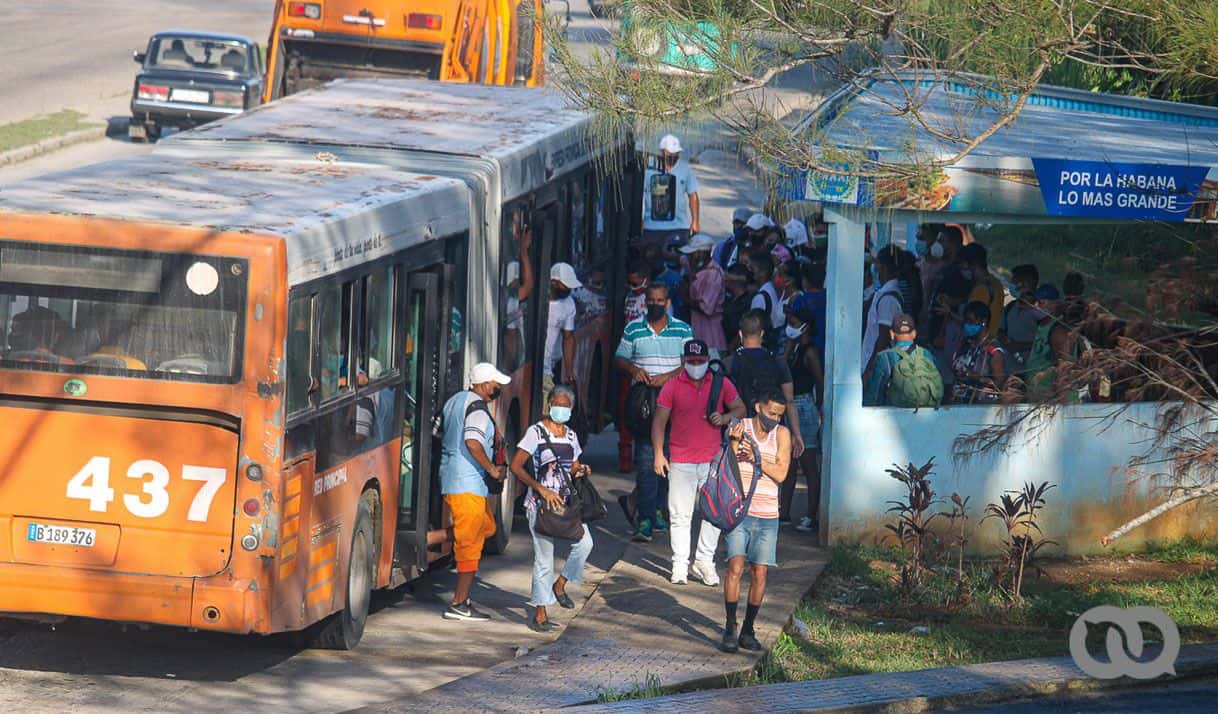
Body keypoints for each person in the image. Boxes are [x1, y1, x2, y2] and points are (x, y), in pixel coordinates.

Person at [653, 340, 746, 585]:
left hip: (712, 460)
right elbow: (659, 422)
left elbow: (740, 409)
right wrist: (658, 454)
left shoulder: (720, 383)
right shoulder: (672, 386)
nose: (696, 366)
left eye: (700, 362)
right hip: (681, 460)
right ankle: (680, 564)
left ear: (708, 360)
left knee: (713, 514)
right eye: (692, 362)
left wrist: (725, 417)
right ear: (684, 361)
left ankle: (705, 560)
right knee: (679, 515)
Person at [510, 385, 594, 632]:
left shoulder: (570, 435)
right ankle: (540, 613)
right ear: (549, 404)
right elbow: (516, 465)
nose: (562, 409)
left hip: (567, 504)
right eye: (558, 404)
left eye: (567, 405)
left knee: (586, 543)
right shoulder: (535, 432)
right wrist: (540, 488)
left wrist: (582, 469)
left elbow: (573, 466)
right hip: (541, 505)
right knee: (544, 560)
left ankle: (561, 584)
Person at [614, 283, 693, 542]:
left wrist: (668, 378)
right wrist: (635, 370)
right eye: (651, 300)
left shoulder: (683, 329)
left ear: (668, 302)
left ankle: (658, 510)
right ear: (645, 302)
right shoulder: (633, 328)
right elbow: (619, 358)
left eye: (660, 300)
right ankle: (646, 517)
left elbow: (690, 363)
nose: (655, 304)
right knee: (648, 460)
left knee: (670, 459)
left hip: (676, 404)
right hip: (644, 405)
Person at [435, 362, 511, 622]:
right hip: (466, 482)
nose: (497, 388)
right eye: (494, 384)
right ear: (482, 385)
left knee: (486, 528)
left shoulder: (455, 400)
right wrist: (491, 469)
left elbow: (439, 431)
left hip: (455, 478)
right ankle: (459, 603)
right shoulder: (478, 410)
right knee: (470, 545)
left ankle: (427, 539)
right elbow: (472, 441)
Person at [720, 389, 791, 653]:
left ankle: (748, 629)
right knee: (735, 567)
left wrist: (757, 460)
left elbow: (781, 474)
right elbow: (729, 467)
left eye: (780, 415)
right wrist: (734, 445)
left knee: (760, 572)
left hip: (768, 514)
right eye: (771, 412)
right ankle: (730, 628)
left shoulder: (782, 435)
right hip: (740, 511)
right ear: (758, 407)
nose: (775, 418)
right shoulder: (741, 427)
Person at [729, 310, 805, 459]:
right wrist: (796, 434)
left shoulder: (731, 363)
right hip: (772, 429)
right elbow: (789, 401)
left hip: (740, 430)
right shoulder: (778, 362)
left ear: (740, 334)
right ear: (762, 334)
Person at [778, 302, 823, 532]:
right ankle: (783, 512)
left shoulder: (810, 352)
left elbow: (820, 382)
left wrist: (820, 409)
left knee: (808, 463)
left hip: (804, 406)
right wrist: (789, 345)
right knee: (789, 463)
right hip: (790, 405)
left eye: (794, 322)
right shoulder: (794, 349)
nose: (790, 326)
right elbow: (781, 369)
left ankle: (810, 515)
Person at [864, 313, 943, 407]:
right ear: (914, 334)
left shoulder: (885, 357)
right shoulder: (927, 355)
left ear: (892, 334)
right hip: (925, 413)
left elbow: (874, 396)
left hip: (895, 415)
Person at [616, 260, 651, 473]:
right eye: (629, 282)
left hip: (648, 363)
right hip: (630, 362)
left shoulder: (652, 299)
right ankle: (625, 456)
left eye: (634, 281)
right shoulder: (629, 297)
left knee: (646, 410)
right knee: (625, 410)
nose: (631, 285)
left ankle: (643, 454)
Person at [642, 134, 700, 246]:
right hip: (652, 227)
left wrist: (695, 221)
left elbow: (693, 195)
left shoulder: (685, 169)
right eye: (670, 153)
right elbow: (640, 196)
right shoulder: (649, 169)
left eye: (676, 153)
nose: (673, 156)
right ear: (662, 151)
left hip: (678, 227)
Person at [950, 301, 1009, 404]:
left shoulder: (994, 351)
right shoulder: (966, 344)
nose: (966, 325)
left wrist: (976, 377)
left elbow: (999, 383)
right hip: (958, 402)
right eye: (965, 321)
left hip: (979, 407)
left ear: (983, 322)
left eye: (970, 321)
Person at [680, 234, 727, 355]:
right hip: (697, 331)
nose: (689, 257)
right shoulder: (695, 267)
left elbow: (707, 309)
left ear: (702, 254)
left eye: (692, 253)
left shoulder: (713, 275)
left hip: (711, 336)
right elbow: (681, 259)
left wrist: (684, 297)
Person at [862, 248, 904, 374]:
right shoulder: (883, 293)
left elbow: (883, 339)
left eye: (877, 265)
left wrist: (870, 371)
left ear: (883, 268)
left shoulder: (888, 299)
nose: (874, 269)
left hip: (875, 368)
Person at [544, 262, 580, 398]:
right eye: (566, 285)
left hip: (550, 366)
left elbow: (568, 337)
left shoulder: (569, 303)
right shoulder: (538, 298)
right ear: (553, 282)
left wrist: (569, 371)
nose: (569, 289)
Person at [960, 243, 1006, 339]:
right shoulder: (996, 283)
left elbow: (973, 321)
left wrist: (949, 313)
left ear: (966, 264)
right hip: (990, 339)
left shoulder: (981, 289)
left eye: (961, 264)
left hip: (980, 340)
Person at [1001, 264, 1042, 361]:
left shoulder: (1042, 312)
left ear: (1025, 284)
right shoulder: (1010, 307)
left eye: (1014, 281)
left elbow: (1045, 342)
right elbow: (1001, 329)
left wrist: (1020, 346)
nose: (1011, 284)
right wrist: (1002, 338)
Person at [748, 253, 783, 351]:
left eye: (752, 268)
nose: (749, 271)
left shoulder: (760, 297)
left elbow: (754, 327)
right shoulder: (773, 289)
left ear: (762, 273)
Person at [722, 263, 754, 354]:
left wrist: (733, 346)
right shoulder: (729, 300)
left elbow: (745, 327)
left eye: (727, 278)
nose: (724, 280)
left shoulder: (747, 302)